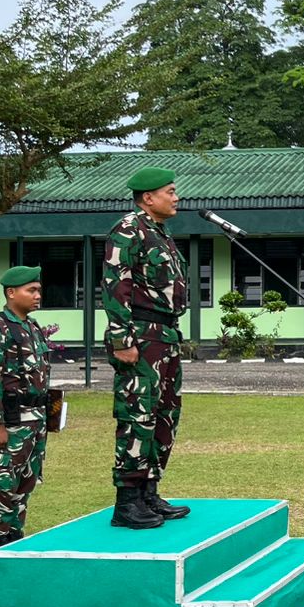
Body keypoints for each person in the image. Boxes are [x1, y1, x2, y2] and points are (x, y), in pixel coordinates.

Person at [103, 166, 190, 529]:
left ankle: (148, 491)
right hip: (140, 334)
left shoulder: (160, 233)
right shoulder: (128, 230)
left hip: (165, 334)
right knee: (137, 413)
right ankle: (127, 501)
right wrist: (122, 340)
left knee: (165, 413)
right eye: (170, 191)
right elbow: (116, 285)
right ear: (148, 197)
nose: (176, 197)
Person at [0, 265, 52, 550]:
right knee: (2, 483)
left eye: (38, 290)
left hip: (36, 419)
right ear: (11, 293)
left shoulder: (32, 327)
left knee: (25, 483)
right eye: (31, 290)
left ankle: (14, 541)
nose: (37, 295)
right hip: (10, 420)